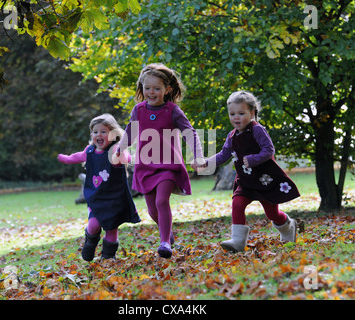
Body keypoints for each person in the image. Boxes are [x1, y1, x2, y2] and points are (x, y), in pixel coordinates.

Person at [115, 63, 205, 258]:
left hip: (167, 166)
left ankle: (164, 243)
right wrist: (119, 149)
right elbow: (130, 132)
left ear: (167, 89)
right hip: (145, 166)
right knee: (152, 210)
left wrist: (197, 155)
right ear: (142, 88)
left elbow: (190, 133)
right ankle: (167, 232)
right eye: (147, 88)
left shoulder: (173, 110)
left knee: (162, 200)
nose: (151, 92)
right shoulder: (138, 110)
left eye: (157, 88)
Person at [196, 90, 300, 252]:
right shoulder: (231, 136)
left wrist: (253, 159)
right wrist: (205, 163)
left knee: (272, 213)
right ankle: (238, 241)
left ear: (252, 113)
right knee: (237, 203)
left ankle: (288, 226)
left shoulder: (257, 130)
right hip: (245, 180)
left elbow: (268, 150)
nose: (236, 117)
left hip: (265, 179)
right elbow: (223, 155)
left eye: (241, 113)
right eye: (232, 114)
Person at [57, 114, 141, 261]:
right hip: (96, 197)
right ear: (91, 135)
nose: (99, 135)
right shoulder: (89, 151)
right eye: (96, 132)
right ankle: (90, 241)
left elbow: (126, 157)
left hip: (115, 198)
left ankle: (108, 257)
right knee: (94, 224)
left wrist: (121, 154)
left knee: (111, 228)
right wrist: (66, 158)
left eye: (104, 131)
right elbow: (77, 156)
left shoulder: (115, 149)